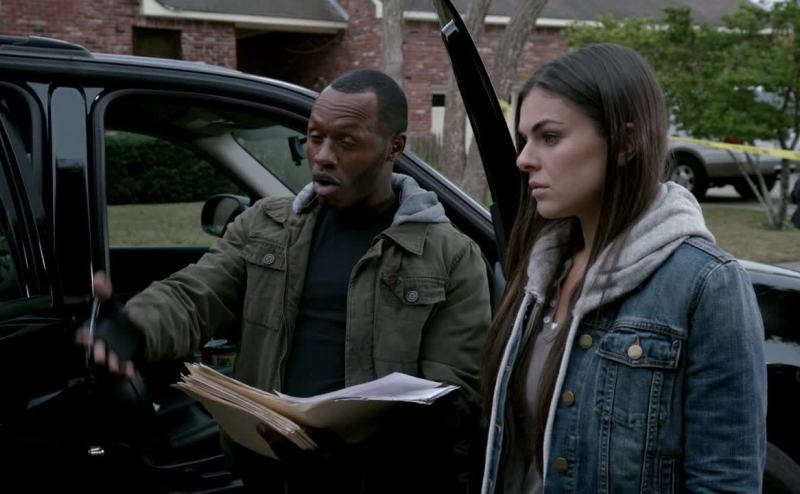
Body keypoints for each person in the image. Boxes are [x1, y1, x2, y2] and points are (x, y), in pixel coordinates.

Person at [80, 69, 491, 493]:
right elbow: (193, 296)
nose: (323, 156)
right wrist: (134, 328)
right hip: (269, 473)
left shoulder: (450, 256)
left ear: (394, 147)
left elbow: (457, 395)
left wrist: (350, 448)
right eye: (315, 137)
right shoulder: (264, 226)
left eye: (346, 142)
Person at [480, 44, 766, 493]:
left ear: (625, 143)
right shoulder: (541, 270)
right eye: (525, 139)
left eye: (549, 137)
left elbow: (726, 480)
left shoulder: (706, 285)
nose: (524, 159)